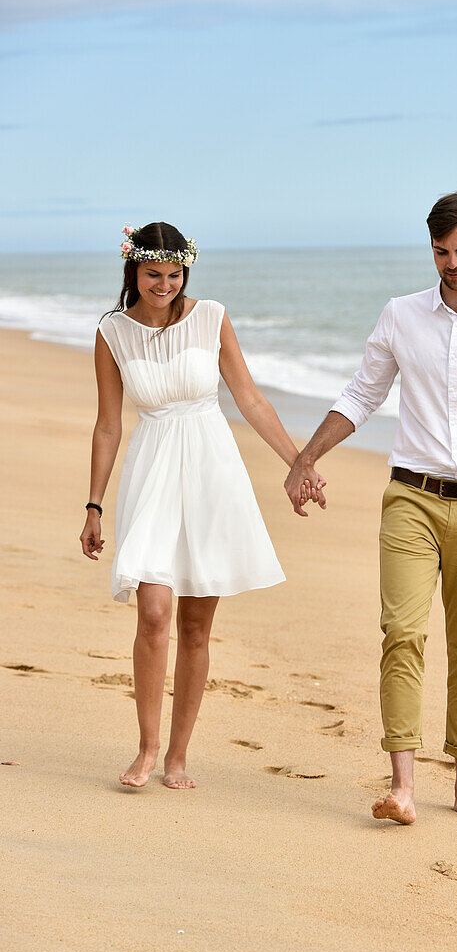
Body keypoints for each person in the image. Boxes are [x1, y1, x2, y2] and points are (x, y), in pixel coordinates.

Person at [285, 189, 457, 825]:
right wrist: (305, 458)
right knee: (402, 633)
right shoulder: (401, 315)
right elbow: (361, 393)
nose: (452, 264)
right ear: (430, 248)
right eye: (441, 252)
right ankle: (402, 786)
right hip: (412, 497)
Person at [80, 222, 320, 789]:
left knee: (194, 623)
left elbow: (250, 398)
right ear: (132, 272)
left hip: (211, 469)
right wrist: (92, 505)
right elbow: (108, 426)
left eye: (173, 273)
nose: (164, 284)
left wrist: (298, 460)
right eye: (152, 274)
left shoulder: (211, 316)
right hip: (152, 469)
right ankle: (146, 746)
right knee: (154, 610)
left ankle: (178, 757)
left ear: (186, 270)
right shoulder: (112, 333)